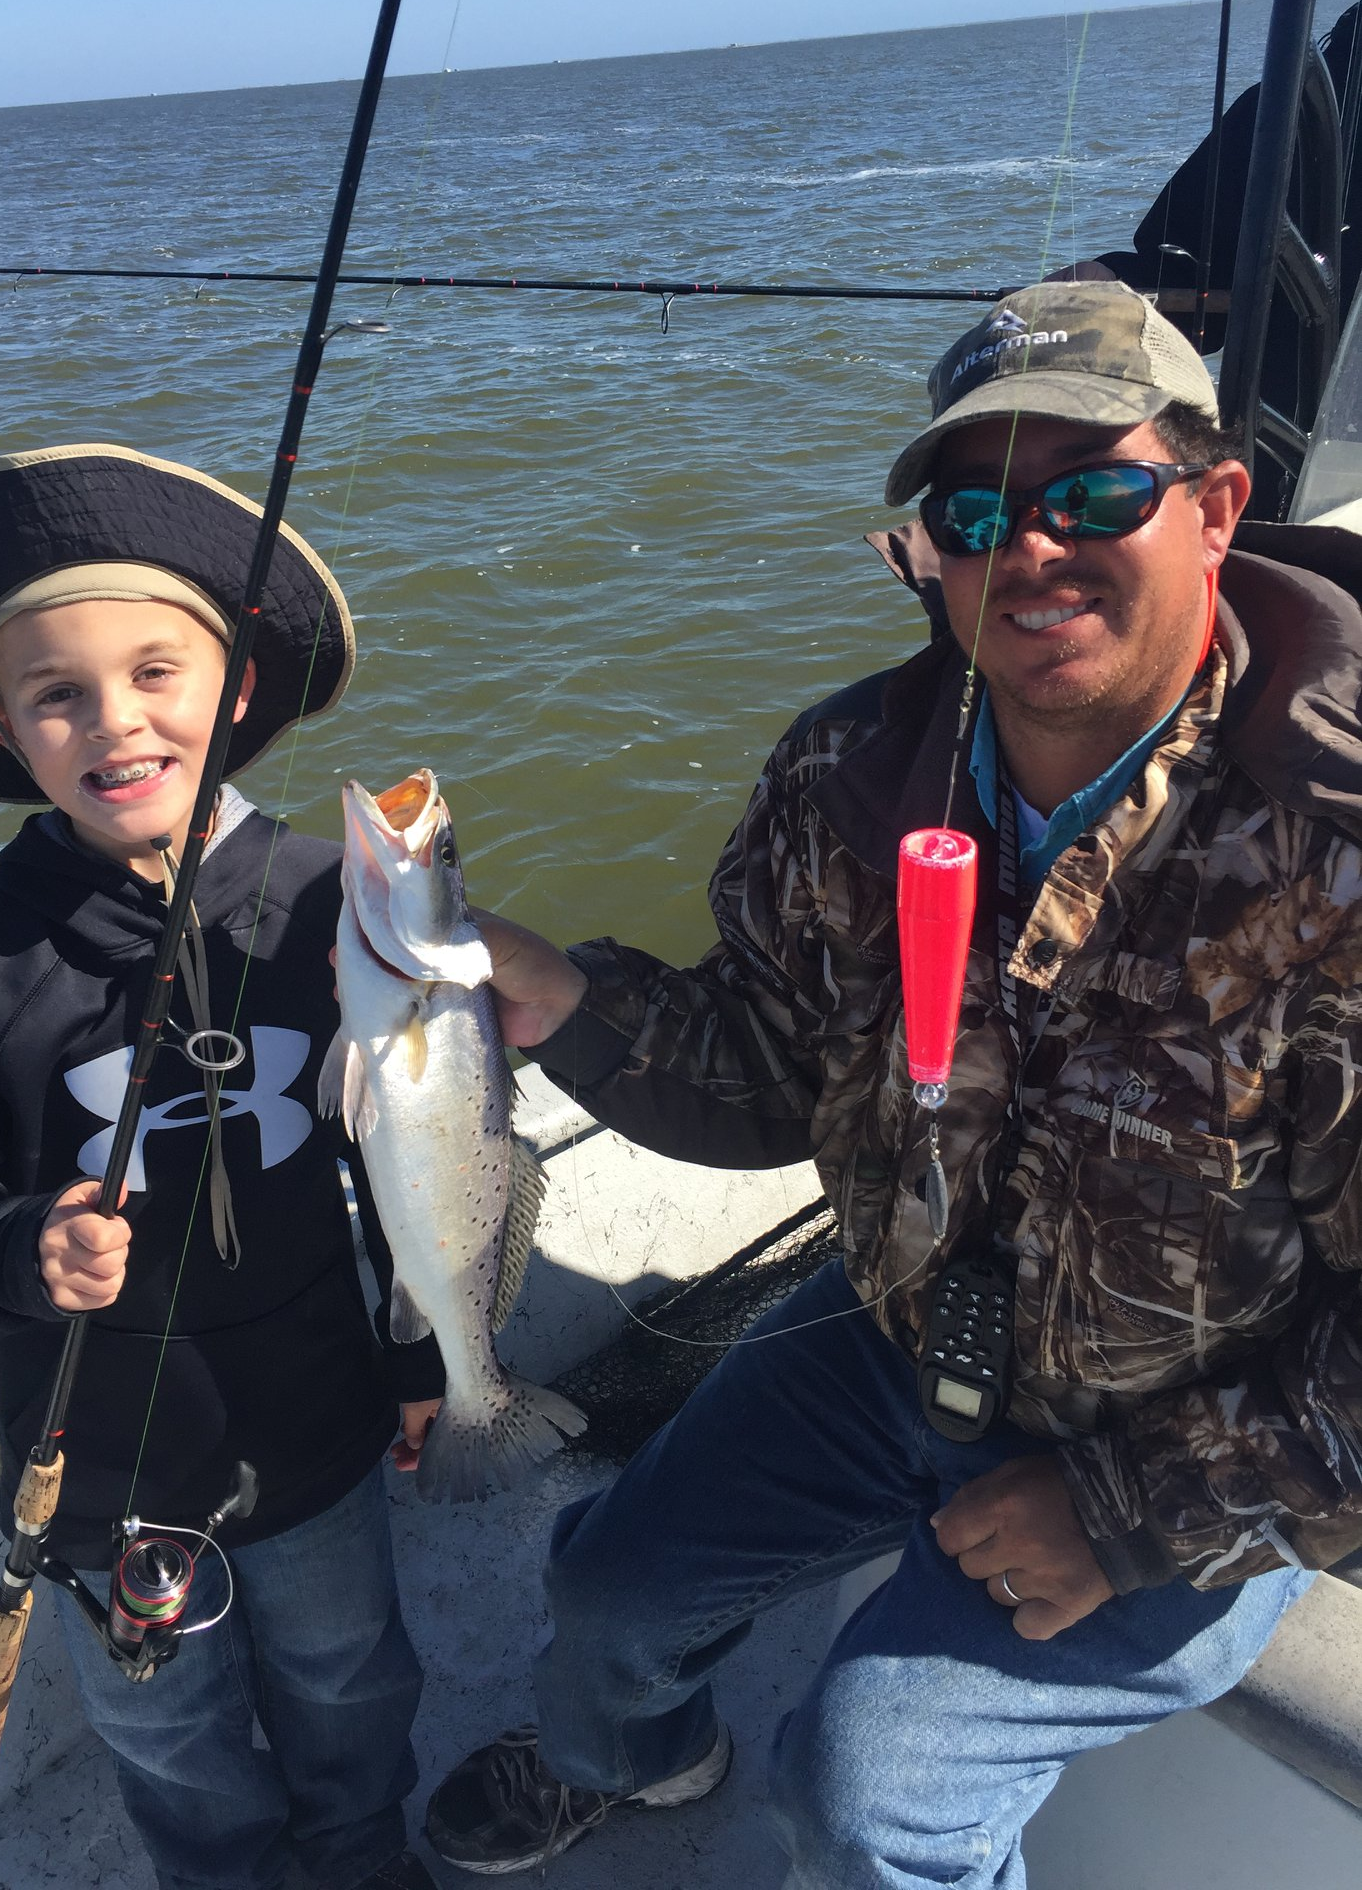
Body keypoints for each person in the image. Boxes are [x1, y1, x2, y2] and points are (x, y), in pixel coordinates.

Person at [423, 281, 1362, 1887]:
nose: (1031, 544)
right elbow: (768, 1078)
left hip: (1191, 1431)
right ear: (924, 547)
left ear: (1212, 506)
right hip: (893, 1334)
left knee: (868, 1789)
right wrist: (559, 999)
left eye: (1093, 491)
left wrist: (1127, 1506)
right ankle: (630, 1766)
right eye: (974, 507)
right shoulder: (840, 773)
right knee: (606, 1591)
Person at [0, 444, 442, 1890]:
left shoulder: (335, 902)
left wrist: (418, 1351)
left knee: (353, 1693)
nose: (115, 722)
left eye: (156, 672)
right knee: (174, 1747)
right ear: (5, 730)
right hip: (104, 1474)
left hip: (321, 1430)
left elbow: (415, 1161)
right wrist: (18, 1253)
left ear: (234, 687)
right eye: (59, 694)